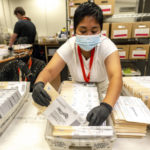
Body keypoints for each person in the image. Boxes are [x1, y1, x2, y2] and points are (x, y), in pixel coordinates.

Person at [32, 2, 123, 126]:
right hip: (77, 90)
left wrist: (106, 106)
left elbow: (116, 77)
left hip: (103, 90)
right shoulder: (70, 45)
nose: (88, 35)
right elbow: (50, 70)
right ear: (75, 30)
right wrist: (39, 83)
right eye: (83, 30)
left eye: (94, 30)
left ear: (100, 30)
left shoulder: (107, 46)